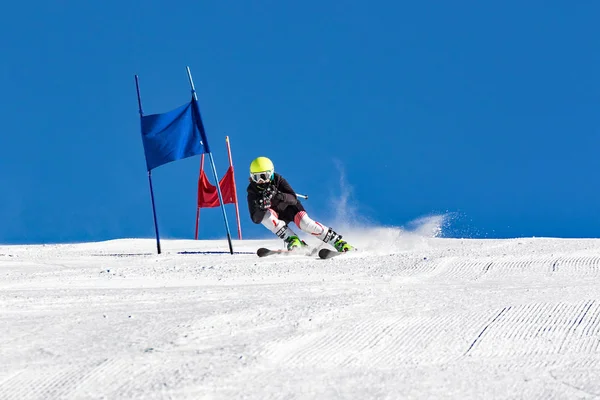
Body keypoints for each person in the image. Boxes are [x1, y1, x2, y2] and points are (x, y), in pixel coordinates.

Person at [247, 156, 354, 252]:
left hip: (290, 208)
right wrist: (261, 207)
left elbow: (293, 198)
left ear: (270, 174)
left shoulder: (278, 180)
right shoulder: (252, 191)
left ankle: (337, 242)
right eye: (256, 177)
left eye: (264, 176)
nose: (261, 181)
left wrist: (278, 195)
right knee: (265, 218)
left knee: (305, 224)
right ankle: (293, 240)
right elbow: (256, 219)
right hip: (275, 214)